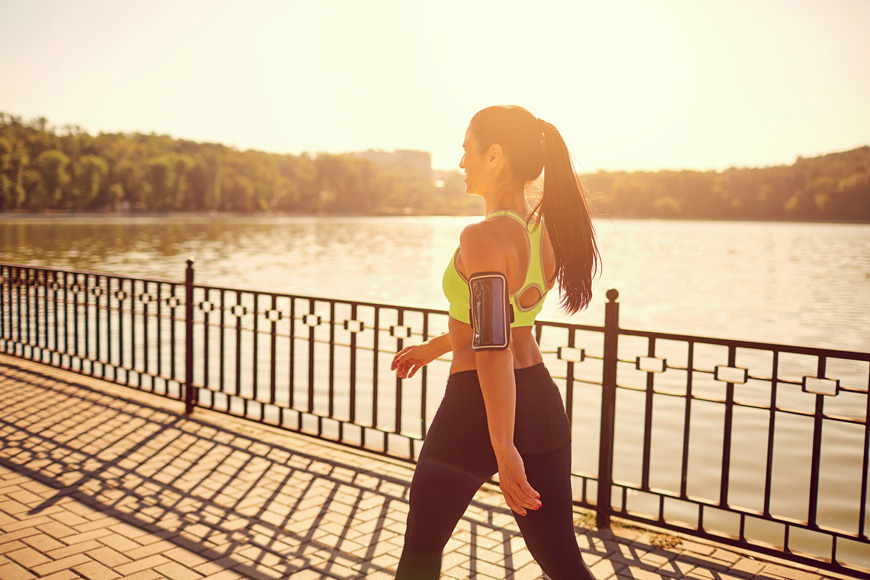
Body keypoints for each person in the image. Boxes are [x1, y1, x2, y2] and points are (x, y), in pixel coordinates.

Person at [390, 105, 600, 578]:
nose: (461, 161)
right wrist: (436, 346)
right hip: (540, 401)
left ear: (495, 155)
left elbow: (491, 348)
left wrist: (503, 445)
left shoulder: (483, 236)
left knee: (422, 545)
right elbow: (503, 325)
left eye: (468, 150)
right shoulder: (544, 232)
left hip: (476, 407)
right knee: (562, 561)